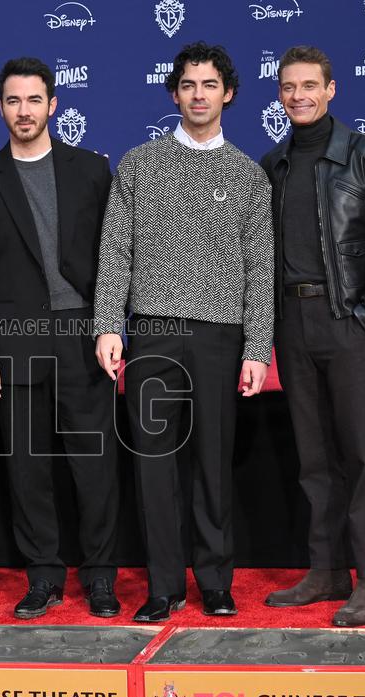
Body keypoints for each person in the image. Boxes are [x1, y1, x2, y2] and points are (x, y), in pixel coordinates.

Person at [94, 42, 274, 622]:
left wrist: (257, 348)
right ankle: (163, 585)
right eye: (189, 85)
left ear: (229, 94)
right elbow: (115, 253)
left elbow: (260, 268)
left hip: (221, 338)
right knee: (153, 463)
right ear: (174, 93)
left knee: (213, 465)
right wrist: (107, 326)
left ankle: (216, 582)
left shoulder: (249, 175)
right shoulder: (138, 164)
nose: (199, 95)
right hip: (152, 333)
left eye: (210, 85)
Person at [0, 57, 121, 620]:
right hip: (16, 341)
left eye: (33, 100)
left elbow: (114, 259)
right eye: (12, 101)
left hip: (83, 336)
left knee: (93, 466)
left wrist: (110, 325)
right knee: (27, 469)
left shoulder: (93, 170)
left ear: (53, 105)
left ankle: (100, 577)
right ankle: (44, 577)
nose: (23, 111)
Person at [260, 46, 365, 627]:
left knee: (362, 453)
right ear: (280, 95)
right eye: (288, 87)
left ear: (331, 89)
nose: (299, 95)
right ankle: (325, 571)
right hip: (291, 323)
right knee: (313, 455)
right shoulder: (273, 166)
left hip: (345, 320)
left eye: (309, 85)